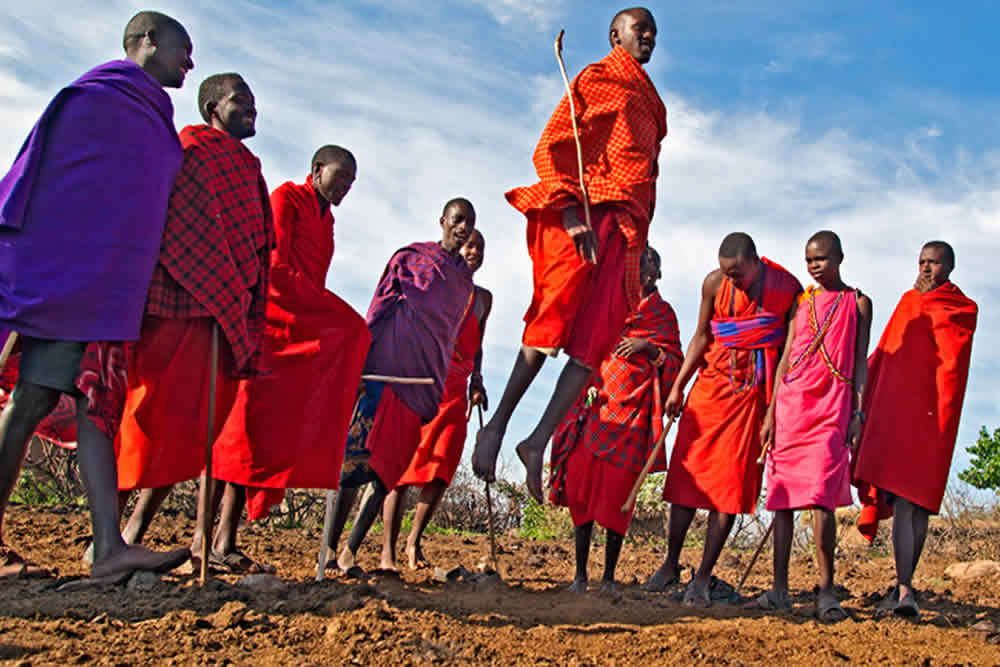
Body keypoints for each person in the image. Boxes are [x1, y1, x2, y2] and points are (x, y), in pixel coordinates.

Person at [0, 11, 194, 582]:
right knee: (33, 400)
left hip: (109, 289)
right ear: (147, 41)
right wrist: (65, 272)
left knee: (93, 407)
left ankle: (109, 547)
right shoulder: (98, 101)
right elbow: (57, 186)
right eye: (184, 48)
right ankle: (107, 546)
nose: (190, 61)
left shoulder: (152, 115)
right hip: (72, 280)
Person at [472, 7, 667, 502]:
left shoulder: (653, 105)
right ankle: (496, 426)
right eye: (638, 28)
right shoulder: (597, 79)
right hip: (587, 212)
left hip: (625, 230)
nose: (647, 36)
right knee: (552, 322)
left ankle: (536, 440)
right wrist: (570, 213)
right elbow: (552, 146)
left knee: (593, 342)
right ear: (614, 35)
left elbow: (647, 174)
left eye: (653, 32)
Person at [113, 73, 273, 573]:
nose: (251, 110)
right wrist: (217, 274)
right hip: (181, 300)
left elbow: (259, 243)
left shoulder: (249, 167)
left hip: (225, 314)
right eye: (240, 102)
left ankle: (140, 531)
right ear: (211, 107)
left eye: (253, 103)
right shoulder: (190, 151)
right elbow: (177, 221)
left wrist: (240, 292)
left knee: (195, 429)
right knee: (149, 419)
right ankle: (107, 535)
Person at [211, 146, 370, 536]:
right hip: (268, 327)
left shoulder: (326, 219)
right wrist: (332, 314)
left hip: (296, 334)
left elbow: (313, 278)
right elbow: (276, 268)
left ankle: (225, 540)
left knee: (265, 435)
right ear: (317, 169)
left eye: (353, 181)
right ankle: (209, 536)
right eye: (342, 176)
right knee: (238, 432)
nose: (347, 186)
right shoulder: (286, 198)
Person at [644, 233, 801, 606]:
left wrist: (773, 410)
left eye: (738, 274)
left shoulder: (787, 289)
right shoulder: (714, 284)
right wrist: (678, 386)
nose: (732, 280)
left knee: (729, 491)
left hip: (750, 399)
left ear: (755, 262)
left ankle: (702, 576)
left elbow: (787, 356)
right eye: (727, 273)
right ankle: (670, 564)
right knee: (686, 482)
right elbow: (701, 337)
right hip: (710, 391)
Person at [325, 199, 477, 573]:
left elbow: (446, 337)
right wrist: (362, 362)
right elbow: (379, 306)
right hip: (385, 372)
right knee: (352, 465)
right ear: (442, 220)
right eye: (457, 220)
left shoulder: (463, 283)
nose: (462, 228)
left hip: (422, 382)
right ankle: (328, 549)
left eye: (468, 223)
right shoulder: (410, 259)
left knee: (386, 472)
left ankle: (350, 552)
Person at [744, 231, 872, 622]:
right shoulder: (804, 302)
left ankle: (826, 590)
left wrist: (858, 414)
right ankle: (779, 590)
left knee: (821, 499)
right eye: (809, 260)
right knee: (781, 500)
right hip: (792, 405)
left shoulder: (858, 303)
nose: (814, 266)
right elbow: (785, 358)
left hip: (832, 407)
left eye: (821, 259)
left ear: (840, 257)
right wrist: (770, 414)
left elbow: (860, 362)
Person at [853, 241, 976, 618]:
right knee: (905, 499)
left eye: (934, 263)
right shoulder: (909, 302)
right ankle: (905, 586)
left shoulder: (963, 308)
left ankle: (906, 585)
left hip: (934, 415)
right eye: (922, 262)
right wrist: (859, 390)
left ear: (949, 268)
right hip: (901, 415)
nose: (926, 269)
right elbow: (889, 352)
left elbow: (950, 365)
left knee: (918, 503)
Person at [549, 246, 681, 594]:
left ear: (659, 273)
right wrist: (587, 386)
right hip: (597, 406)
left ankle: (607, 577)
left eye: (652, 264)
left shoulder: (664, 315)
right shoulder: (610, 303)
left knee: (617, 496)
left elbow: (675, 362)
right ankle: (579, 575)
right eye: (640, 265)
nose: (645, 270)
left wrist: (648, 348)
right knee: (582, 489)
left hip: (635, 415)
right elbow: (586, 348)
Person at [379, 230, 491, 571]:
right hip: (426, 378)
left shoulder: (483, 298)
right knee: (402, 468)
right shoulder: (437, 282)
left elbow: (478, 344)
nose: (474, 252)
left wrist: (478, 379)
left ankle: (414, 542)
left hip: (457, 389)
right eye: (470, 245)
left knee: (440, 470)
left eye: (480, 248)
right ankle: (387, 551)